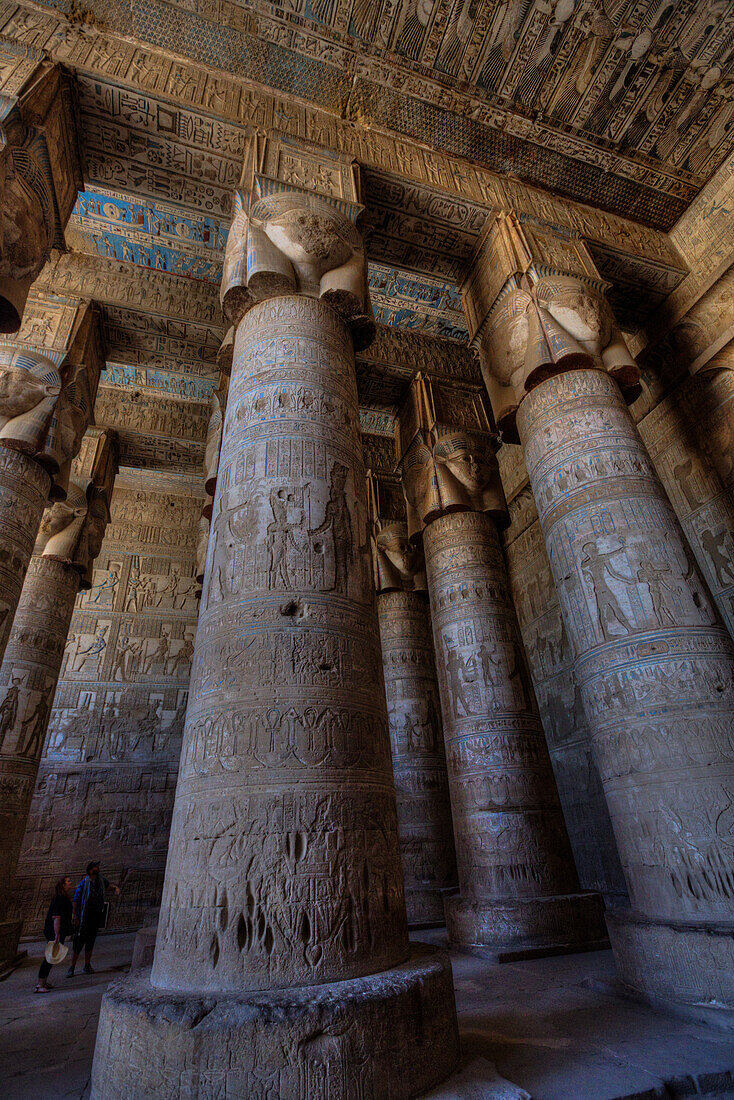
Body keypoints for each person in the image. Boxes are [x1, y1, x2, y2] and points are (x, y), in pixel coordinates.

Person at [67, 861, 120, 977]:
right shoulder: (83, 884)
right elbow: (76, 901)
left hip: (95, 916)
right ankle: (72, 967)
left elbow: (108, 886)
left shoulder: (100, 880)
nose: (98, 869)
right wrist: (75, 916)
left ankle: (87, 965)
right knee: (79, 943)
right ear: (91, 870)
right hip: (83, 917)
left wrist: (115, 888)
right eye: (96, 867)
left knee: (90, 941)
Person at [36, 877, 73, 993]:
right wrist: (57, 934)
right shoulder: (60, 898)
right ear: (62, 885)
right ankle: (40, 984)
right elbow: (56, 917)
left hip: (57, 931)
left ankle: (43, 981)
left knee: (52, 957)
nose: (70, 883)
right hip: (54, 932)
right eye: (68, 881)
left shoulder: (62, 897)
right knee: (49, 957)